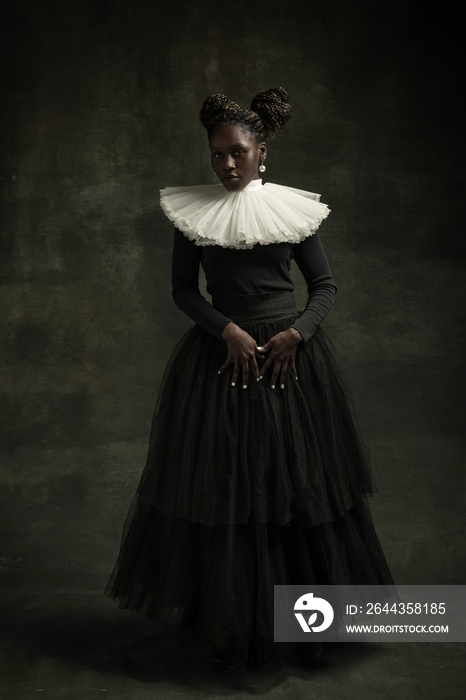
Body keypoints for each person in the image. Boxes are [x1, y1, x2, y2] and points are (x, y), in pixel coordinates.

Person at [105, 87, 394, 674]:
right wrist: (226, 330)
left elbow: (326, 287)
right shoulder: (193, 216)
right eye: (217, 154)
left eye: (237, 153)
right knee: (228, 489)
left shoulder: (290, 211)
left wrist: (299, 335)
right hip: (224, 361)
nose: (227, 164)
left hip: (290, 359)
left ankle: (310, 626)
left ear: (262, 151)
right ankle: (231, 619)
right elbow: (184, 290)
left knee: (296, 490)